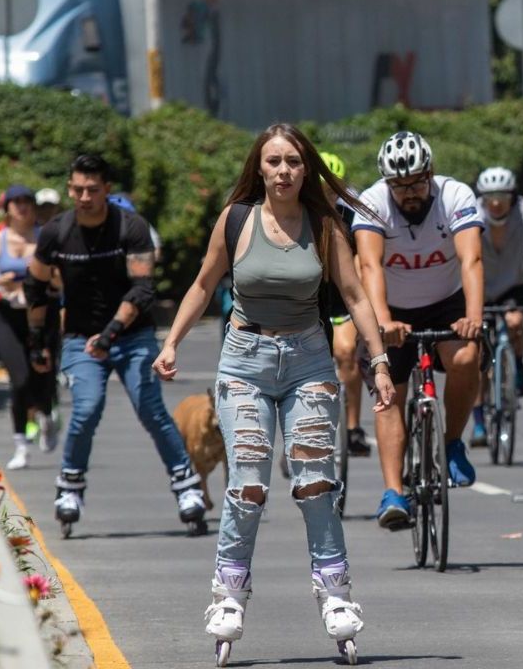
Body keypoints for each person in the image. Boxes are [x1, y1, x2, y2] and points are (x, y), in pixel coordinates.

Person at [152, 125, 394, 660]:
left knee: (315, 485)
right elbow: (202, 283)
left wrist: (378, 363)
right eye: (273, 162)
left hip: (308, 359)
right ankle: (228, 596)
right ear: (258, 169)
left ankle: (335, 594)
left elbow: (354, 294)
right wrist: (171, 343)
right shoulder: (236, 219)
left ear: (306, 169)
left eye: (292, 162)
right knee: (249, 483)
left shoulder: (324, 223)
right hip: (244, 361)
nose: (283, 171)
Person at [24, 154, 208, 532]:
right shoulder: (56, 232)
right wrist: (37, 341)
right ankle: (70, 487)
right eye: (77, 189)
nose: (84, 197)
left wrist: (109, 334)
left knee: (150, 409)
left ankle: (187, 486)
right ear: (69, 189)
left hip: (130, 334)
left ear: (107, 189)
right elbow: (35, 287)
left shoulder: (130, 227)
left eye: (93, 189)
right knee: (86, 409)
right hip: (79, 338)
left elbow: (142, 288)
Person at [353, 130, 484, 530]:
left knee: (466, 355)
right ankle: (394, 493)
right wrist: (382, 321)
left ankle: (452, 443)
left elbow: (471, 260)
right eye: (399, 185)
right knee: (389, 392)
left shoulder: (456, 196)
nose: (408, 193)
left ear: (431, 174)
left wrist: (473, 317)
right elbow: (370, 266)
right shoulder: (373, 203)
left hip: (446, 302)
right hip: (392, 307)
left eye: (416, 183)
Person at [469, 167, 523, 443]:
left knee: (516, 323)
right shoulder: (471, 213)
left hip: (511, 283)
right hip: (479, 286)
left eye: (502, 197)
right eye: (490, 197)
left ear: (512, 196)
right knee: (478, 355)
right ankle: (479, 422)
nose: (496, 203)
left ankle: (517, 362)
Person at [0, 186, 57, 469]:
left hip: (41, 313)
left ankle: (47, 414)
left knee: (44, 376)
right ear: (7, 208)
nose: (22, 208)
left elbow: (59, 276)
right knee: (20, 377)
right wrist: (1, 282)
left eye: (27, 202)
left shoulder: (46, 237)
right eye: (16, 203)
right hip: (7, 315)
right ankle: (21, 446)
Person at [318, 150, 372, 458]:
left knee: (346, 352)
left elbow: (362, 264)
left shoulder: (351, 217)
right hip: (309, 299)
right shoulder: (295, 214)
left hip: (341, 300)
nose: (325, 194)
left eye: (331, 187)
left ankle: (352, 427)